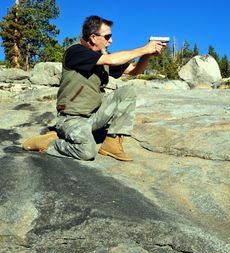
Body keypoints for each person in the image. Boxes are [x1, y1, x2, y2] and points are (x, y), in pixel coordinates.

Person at [22, 15, 166, 161]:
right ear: (93, 37)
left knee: (127, 91)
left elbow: (134, 71)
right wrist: (143, 49)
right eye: (107, 36)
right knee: (87, 151)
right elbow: (112, 60)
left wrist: (148, 54)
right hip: (72, 119)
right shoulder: (76, 52)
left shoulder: (102, 57)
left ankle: (112, 144)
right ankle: (50, 143)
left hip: (94, 117)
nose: (111, 40)